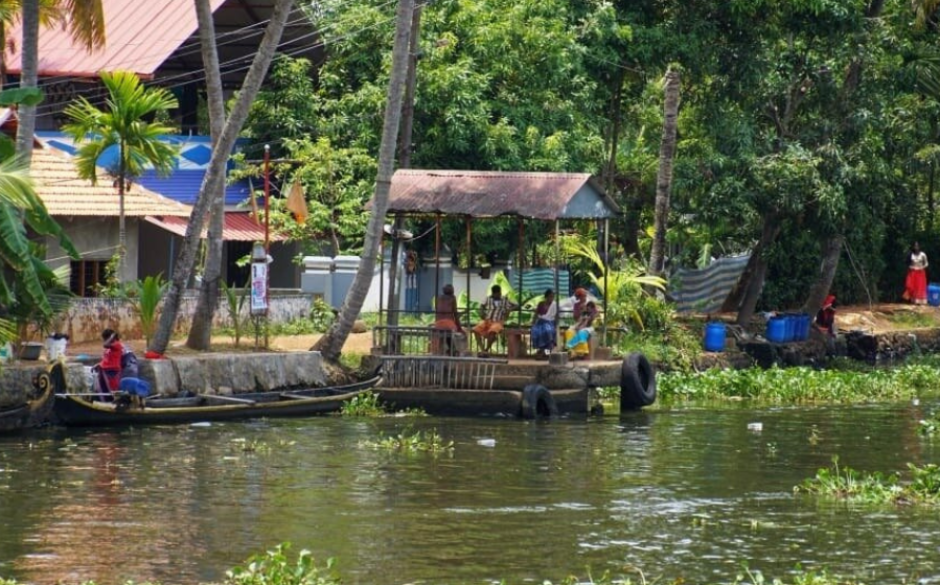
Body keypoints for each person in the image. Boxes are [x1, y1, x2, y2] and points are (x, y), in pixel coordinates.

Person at [472, 284, 515, 355]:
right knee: (475, 330)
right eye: (497, 294)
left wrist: (509, 310)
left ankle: (486, 350)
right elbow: (482, 306)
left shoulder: (505, 299)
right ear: (494, 293)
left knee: (492, 331)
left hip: (498, 321)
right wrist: (481, 312)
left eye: (499, 293)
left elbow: (516, 305)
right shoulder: (488, 298)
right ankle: (482, 349)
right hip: (487, 320)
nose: (499, 295)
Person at [565, 292, 598, 359]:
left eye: (589, 308)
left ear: (592, 309)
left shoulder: (592, 315)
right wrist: (576, 327)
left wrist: (580, 327)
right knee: (569, 331)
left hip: (589, 328)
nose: (588, 309)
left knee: (581, 333)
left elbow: (586, 324)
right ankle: (570, 349)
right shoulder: (584, 313)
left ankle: (581, 351)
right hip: (581, 326)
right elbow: (579, 321)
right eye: (587, 308)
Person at [432, 284, 463, 355]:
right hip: (449, 323)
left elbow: (437, 311)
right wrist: (460, 328)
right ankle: (453, 350)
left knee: (445, 335)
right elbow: (455, 313)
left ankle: (451, 350)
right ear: (452, 291)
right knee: (450, 333)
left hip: (438, 323)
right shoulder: (452, 298)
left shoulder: (438, 297)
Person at [95, 328, 124, 399]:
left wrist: (112, 337)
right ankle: (105, 401)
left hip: (112, 370)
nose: (104, 340)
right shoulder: (109, 348)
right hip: (104, 369)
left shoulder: (117, 345)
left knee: (112, 388)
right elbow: (106, 359)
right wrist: (99, 364)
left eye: (105, 338)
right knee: (103, 388)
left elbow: (105, 345)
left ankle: (115, 401)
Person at [530, 289, 557, 357]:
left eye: (552, 297)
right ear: (546, 297)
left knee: (547, 331)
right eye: (550, 296)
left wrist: (556, 325)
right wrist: (533, 323)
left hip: (550, 322)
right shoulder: (541, 304)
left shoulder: (554, 305)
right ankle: (541, 351)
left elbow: (556, 316)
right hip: (540, 322)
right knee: (535, 331)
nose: (551, 298)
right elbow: (536, 314)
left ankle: (547, 352)